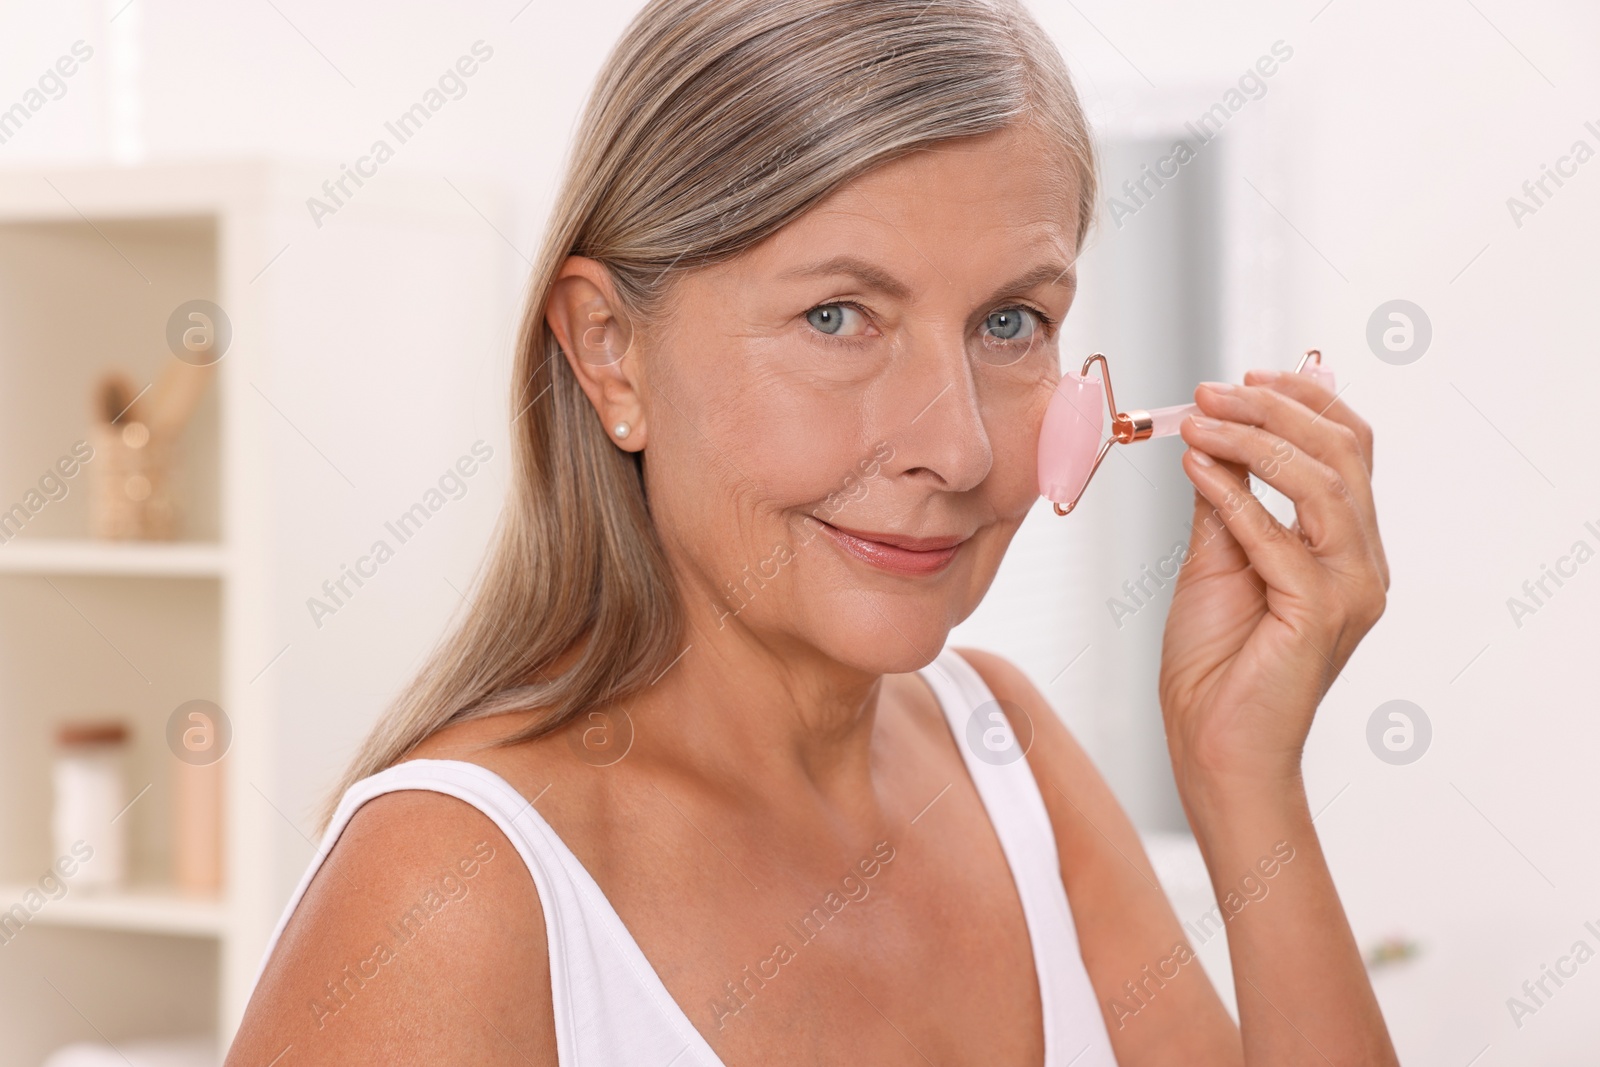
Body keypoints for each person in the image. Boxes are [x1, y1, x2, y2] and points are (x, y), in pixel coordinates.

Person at [227, 0, 1396, 1063]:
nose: (960, 448)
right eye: (837, 316)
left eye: (1008, 321)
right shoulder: (454, 887)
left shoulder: (1009, 758)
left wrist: (1245, 776)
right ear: (607, 349)